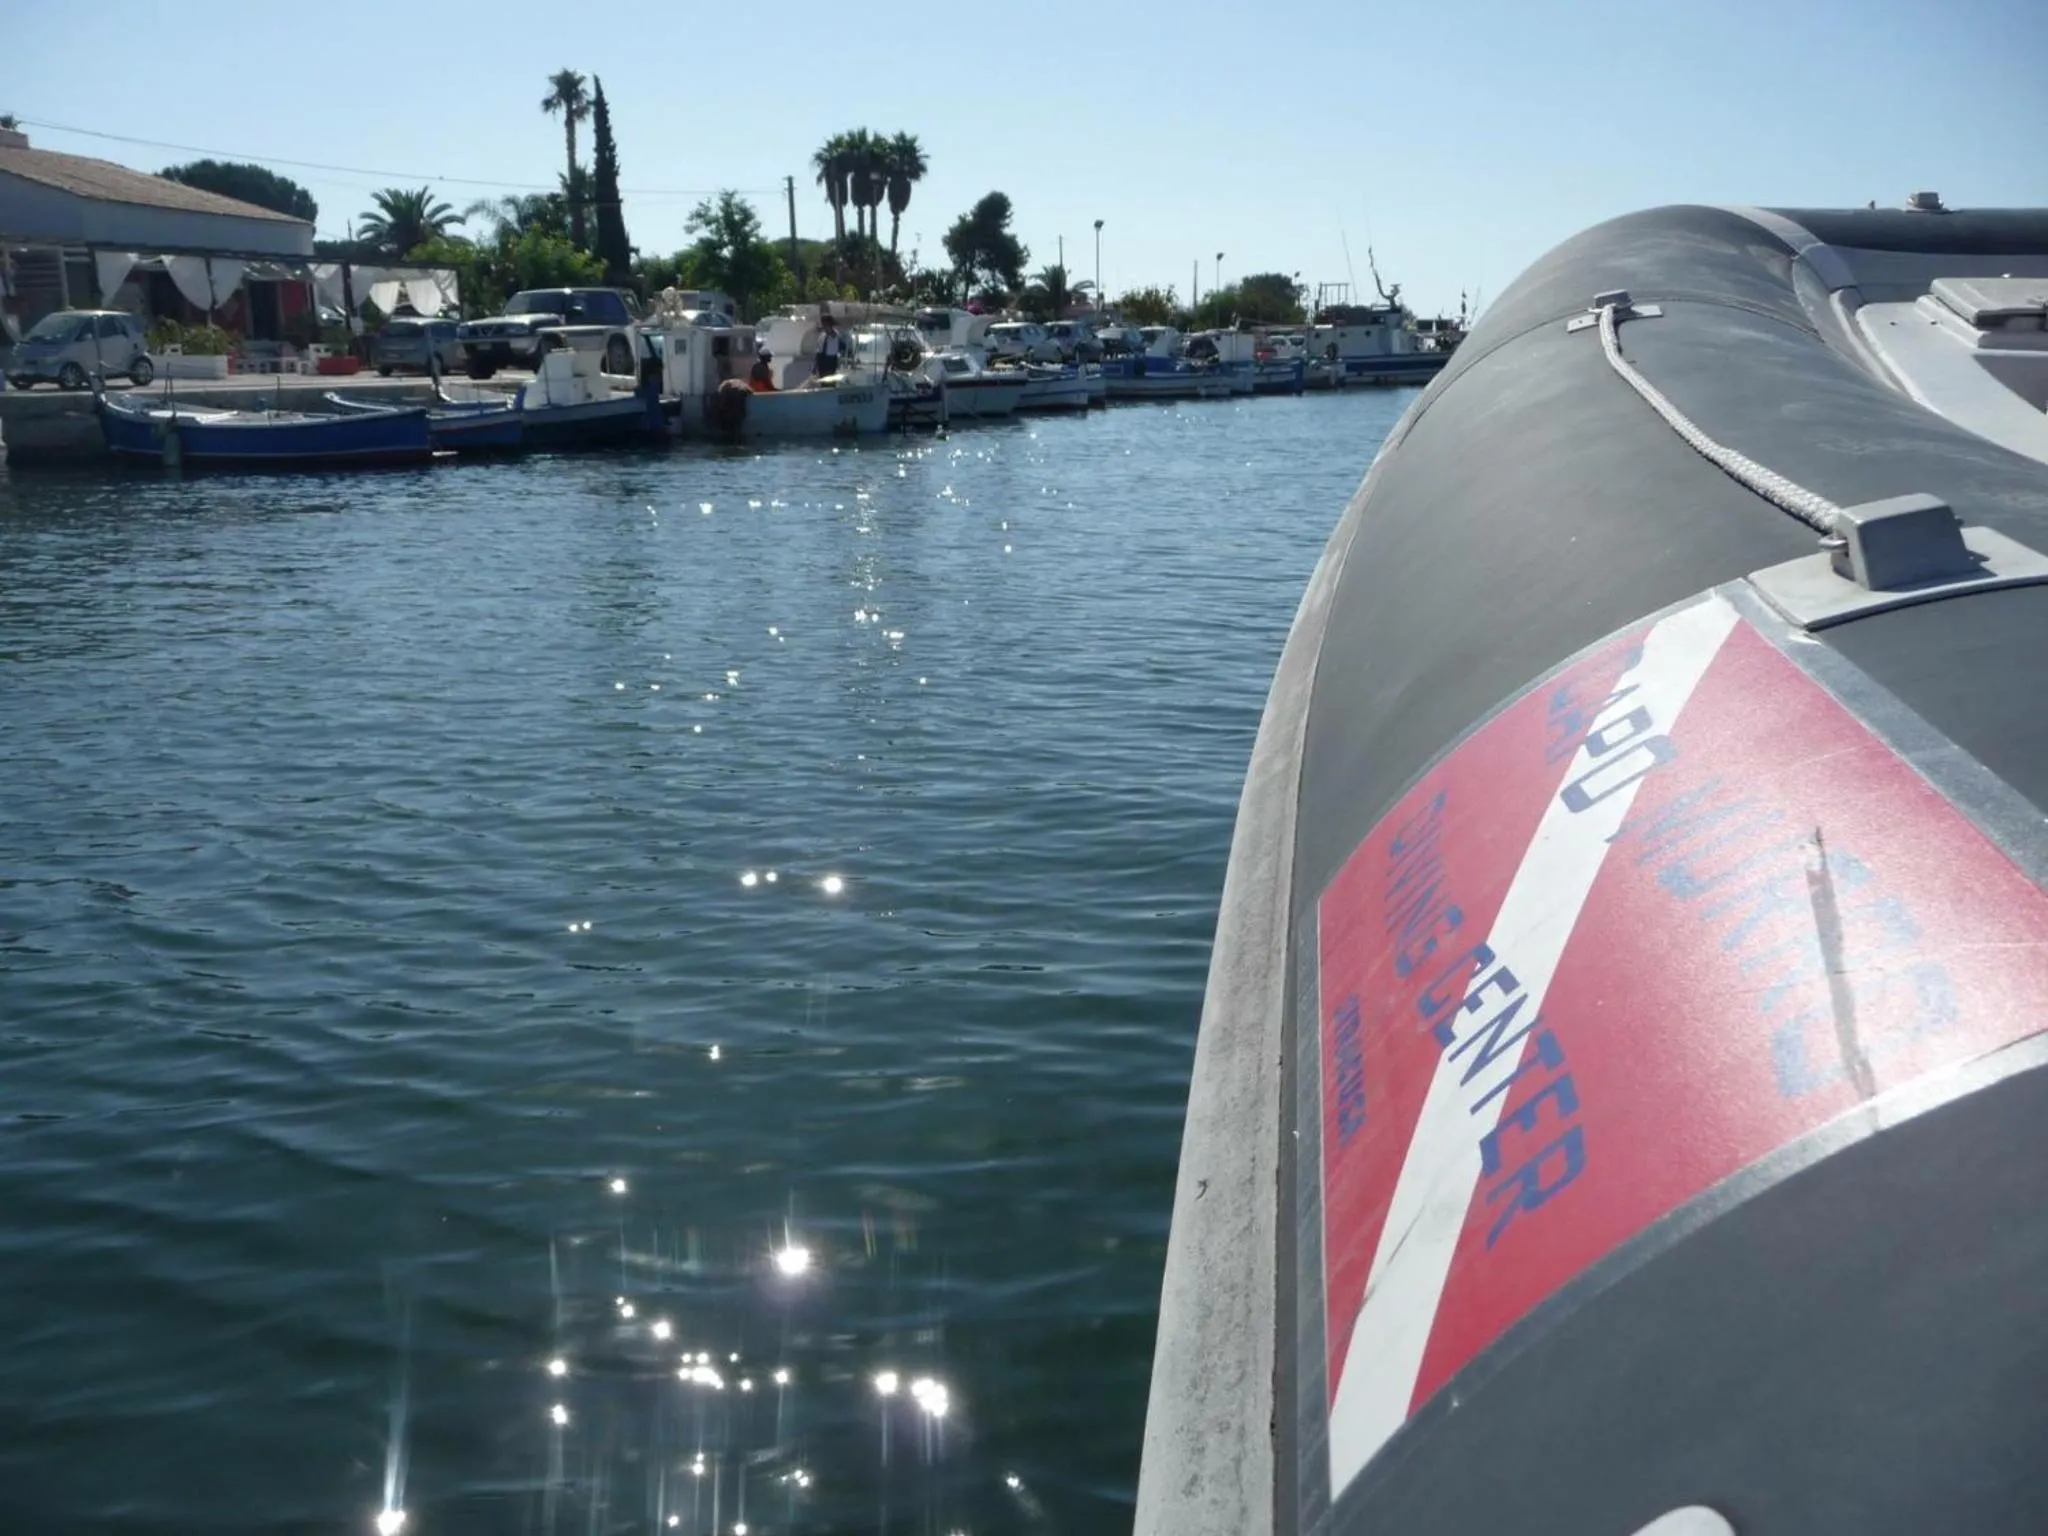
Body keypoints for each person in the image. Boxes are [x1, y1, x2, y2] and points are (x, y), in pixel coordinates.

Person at [814, 311, 846, 380]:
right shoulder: (822, 335)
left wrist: (822, 328)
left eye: (825, 323)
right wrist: (816, 365)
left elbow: (831, 332)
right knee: (822, 380)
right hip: (822, 360)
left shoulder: (835, 333)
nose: (823, 324)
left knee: (830, 380)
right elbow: (819, 350)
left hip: (830, 360)